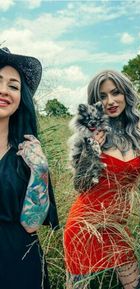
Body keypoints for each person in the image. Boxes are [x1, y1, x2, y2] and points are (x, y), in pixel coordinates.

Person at [64, 70, 140, 289]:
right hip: (84, 226)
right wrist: (92, 149)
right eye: (102, 96)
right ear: (95, 102)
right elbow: (80, 186)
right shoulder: (90, 134)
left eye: (115, 92)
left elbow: (139, 185)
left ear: (125, 94)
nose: (110, 101)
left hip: (117, 228)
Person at [0, 47, 59, 289]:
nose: (4, 90)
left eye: (13, 86)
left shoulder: (27, 153)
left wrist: (40, 171)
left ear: (20, 98)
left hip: (18, 265)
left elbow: (31, 224)